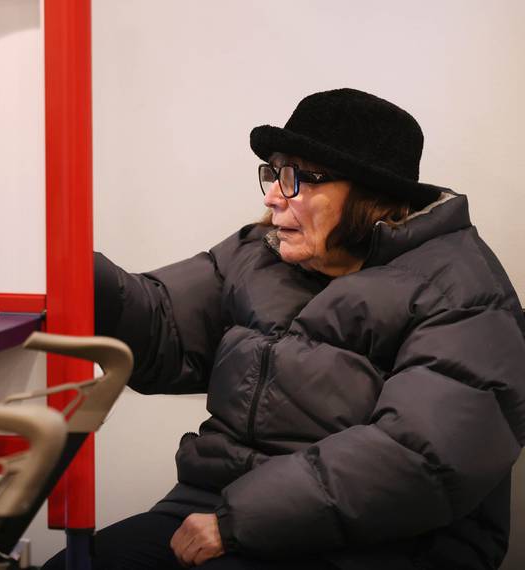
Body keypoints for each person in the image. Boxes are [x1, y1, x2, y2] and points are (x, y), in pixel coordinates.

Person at [42, 88, 525, 569]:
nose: (274, 196)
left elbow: (419, 459)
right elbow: (164, 322)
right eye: (273, 173)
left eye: (296, 177)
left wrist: (239, 521)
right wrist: (68, 269)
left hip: (389, 538)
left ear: (368, 194)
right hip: (221, 502)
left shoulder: (462, 290)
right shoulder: (260, 253)